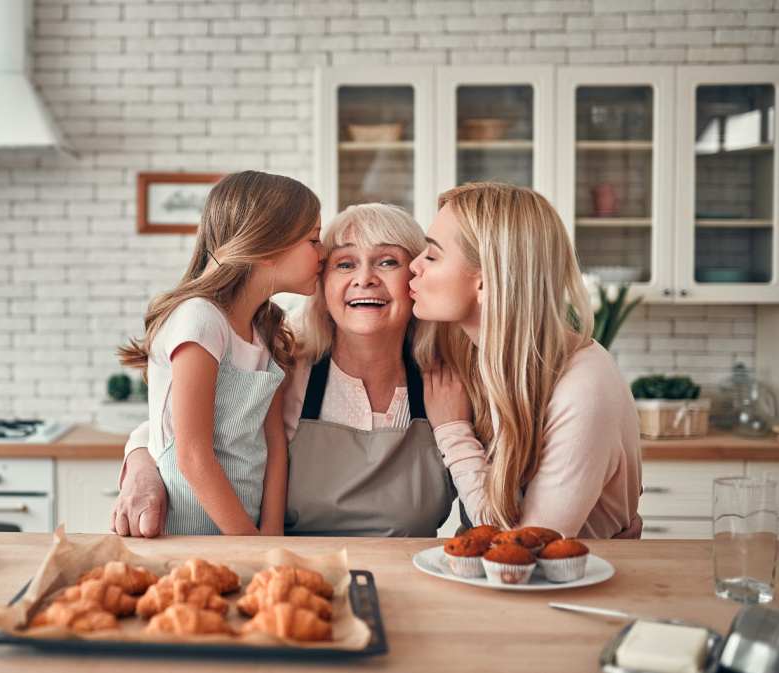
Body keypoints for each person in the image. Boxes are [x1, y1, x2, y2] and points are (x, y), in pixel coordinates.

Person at [113, 203, 455, 538]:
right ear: (322, 282)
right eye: (345, 263)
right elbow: (174, 422)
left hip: (410, 581)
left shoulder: (448, 383)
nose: (365, 279)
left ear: (415, 278)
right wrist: (141, 470)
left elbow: (488, 500)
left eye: (388, 261)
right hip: (292, 577)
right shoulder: (287, 366)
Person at [411, 181, 642, 539]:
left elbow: (522, 550)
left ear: (485, 283)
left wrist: (453, 432)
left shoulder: (584, 389)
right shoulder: (481, 356)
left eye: (431, 255)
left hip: (554, 593)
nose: (415, 266)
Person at [117, 170, 325, 536]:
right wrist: (250, 544)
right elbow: (193, 457)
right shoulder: (200, 319)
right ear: (268, 248)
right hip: (186, 537)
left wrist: (270, 536)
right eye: (314, 240)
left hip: (246, 534)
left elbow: (274, 443)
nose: (323, 253)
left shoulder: (267, 332)